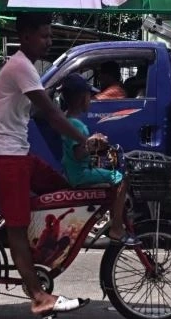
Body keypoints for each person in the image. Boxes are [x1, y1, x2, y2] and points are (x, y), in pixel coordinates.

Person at [0, 13, 101, 316]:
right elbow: (50, 114)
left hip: (17, 154)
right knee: (18, 229)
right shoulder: (21, 66)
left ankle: (33, 250)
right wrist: (82, 140)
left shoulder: (28, 69)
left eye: (50, 36)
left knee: (64, 189)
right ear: (25, 36)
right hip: (7, 157)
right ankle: (38, 296)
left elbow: (38, 111)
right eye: (44, 36)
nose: (49, 41)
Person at [59, 73, 139, 245]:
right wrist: (93, 145)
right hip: (80, 174)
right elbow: (78, 153)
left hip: (76, 171)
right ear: (82, 99)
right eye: (90, 96)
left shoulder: (68, 120)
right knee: (121, 179)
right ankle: (117, 228)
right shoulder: (76, 124)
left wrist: (94, 142)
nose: (91, 100)